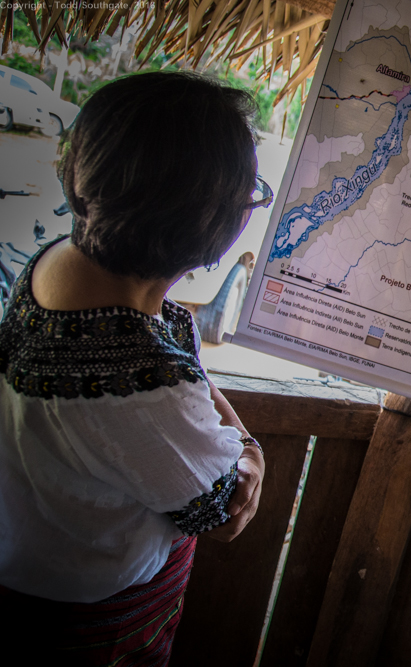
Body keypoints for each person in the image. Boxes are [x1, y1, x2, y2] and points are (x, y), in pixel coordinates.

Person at [0, 71, 269, 665]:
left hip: (29, 562)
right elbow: (221, 510)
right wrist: (252, 450)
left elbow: (176, 354)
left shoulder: (57, 264)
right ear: (211, 226)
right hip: (91, 622)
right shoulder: (142, 385)